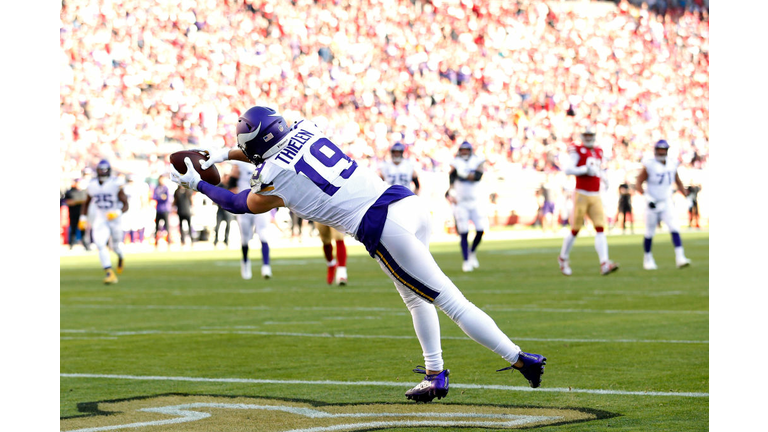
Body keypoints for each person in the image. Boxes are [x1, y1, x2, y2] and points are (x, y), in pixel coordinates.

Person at [171, 106, 546, 402]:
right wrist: (218, 154)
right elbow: (260, 150)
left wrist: (198, 182)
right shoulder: (304, 128)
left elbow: (240, 202)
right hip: (403, 202)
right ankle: (435, 376)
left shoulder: (275, 174)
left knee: (450, 301)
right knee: (417, 299)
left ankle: (519, 358)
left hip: (381, 226)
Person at [557, 125, 618, 276]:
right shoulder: (577, 150)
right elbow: (568, 169)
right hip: (581, 194)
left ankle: (604, 263)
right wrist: (584, 169)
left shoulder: (598, 151)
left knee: (600, 228)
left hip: (595, 194)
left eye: (591, 135)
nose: (589, 138)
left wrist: (603, 177)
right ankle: (563, 258)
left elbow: (597, 169)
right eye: (587, 135)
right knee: (575, 229)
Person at [635, 140, 691, 270]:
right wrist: (646, 197)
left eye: (663, 150)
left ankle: (680, 257)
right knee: (649, 232)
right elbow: (638, 182)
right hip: (652, 202)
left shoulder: (672, 163)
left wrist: (685, 195)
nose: (661, 152)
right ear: (655, 150)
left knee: (674, 228)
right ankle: (647, 259)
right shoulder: (649, 165)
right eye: (659, 149)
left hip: (666, 201)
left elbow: (677, 180)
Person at [78, 160, 129, 284]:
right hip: (101, 218)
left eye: (104, 169)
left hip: (115, 219)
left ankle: (121, 256)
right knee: (100, 244)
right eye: (100, 169)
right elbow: (87, 202)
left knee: (116, 246)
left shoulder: (115, 183)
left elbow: (126, 205)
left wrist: (117, 212)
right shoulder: (92, 185)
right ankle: (109, 272)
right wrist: (83, 217)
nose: (102, 172)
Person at [445, 141, 488, 272]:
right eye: (462, 150)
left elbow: (477, 176)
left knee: (480, 230)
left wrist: (462, 174)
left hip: (475, 201)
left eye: (466, 150)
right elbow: (451, 178)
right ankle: (466, 260)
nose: (464, 152)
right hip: (461, 202)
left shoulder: (477, 160)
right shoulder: (455, 162)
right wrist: (450, 193)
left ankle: (472, 251)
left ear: (470, 151)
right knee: (464, 232)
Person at [230, 160, 274, 279]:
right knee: (245, 238)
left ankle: (266, 266)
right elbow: (232, 182)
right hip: (244, 204)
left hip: (262, 203)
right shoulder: (240, 162)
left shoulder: (268, 159)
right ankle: (245, 263)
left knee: (263, 234)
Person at [122, 174, 150, 244]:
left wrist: (143, 207)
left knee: (135, 226)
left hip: (136, 209)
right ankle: (123, 241)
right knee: (125, 226)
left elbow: (142, 198)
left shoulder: (137, 188)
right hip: (126, 210)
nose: (130, 182)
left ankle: (134, 241)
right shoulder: (125, 188)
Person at [64, 178, 90, 250]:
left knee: (83, 230)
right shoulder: (70, 192)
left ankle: (86, 245)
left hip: (82, 214)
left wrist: (76, 201)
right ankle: (71, 245)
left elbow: (87, 201)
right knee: (73, 229)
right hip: (73, 213)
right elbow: (66, 201)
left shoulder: (84, 192)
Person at [213, 174, 234, 248]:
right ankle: (216, 240)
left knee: (228, 225)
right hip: (221, 209)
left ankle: (226, 240)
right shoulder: (220, 186)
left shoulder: (230, 186)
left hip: (228, 209)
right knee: (217, 226)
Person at [153, 175, 172, 248]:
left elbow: (167, 198)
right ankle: (156, 241)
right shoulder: (157, 188)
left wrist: (161, 197)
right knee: (157, 226)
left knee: (167, 226)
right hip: (159, 209)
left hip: (165, 209)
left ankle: (169, 241)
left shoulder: (165, 188)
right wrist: (161, 197)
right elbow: (154, 197)